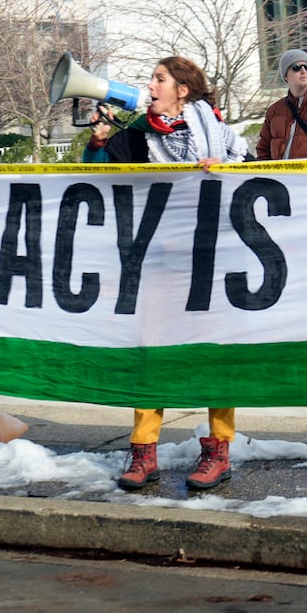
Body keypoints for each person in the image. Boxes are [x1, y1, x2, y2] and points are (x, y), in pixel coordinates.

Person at [83, 56, 248, 491]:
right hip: (156, 264)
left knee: (214, 356)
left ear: (183, 90)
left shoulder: (217, 132)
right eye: (152, 79)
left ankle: (218, 451)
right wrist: (98, 143)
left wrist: (225, 172)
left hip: (211, 263)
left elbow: (253, 173)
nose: (150, 85)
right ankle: (143, 454)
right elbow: (94, 178)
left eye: (160, 79)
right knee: (150, 356)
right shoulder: (136, 134)